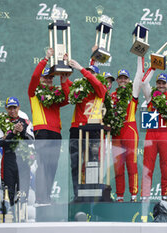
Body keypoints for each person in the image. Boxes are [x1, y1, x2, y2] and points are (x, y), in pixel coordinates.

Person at [28, 48, 71, 205]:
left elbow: (67, 98)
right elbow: (34, 76)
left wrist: (63, 80)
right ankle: (40, 198)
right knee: (43, 165)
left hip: (55, 133)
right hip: (42, 131)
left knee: (52, 166)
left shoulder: (55, 94)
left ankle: (46, 197)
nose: (47, 81)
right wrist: (46, 58)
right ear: (41, 80)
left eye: (50, 78)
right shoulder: (34, 92)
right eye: (45, 78)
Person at [140, 57, 167, 201]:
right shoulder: (150, 97)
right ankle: (145, 196)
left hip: (166, 136)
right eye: (159, 82)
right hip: (151, 135)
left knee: (166, 167)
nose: (161, 85)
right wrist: (153, 67)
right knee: (147, 167)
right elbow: (144, 82)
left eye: (164, 83)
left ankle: (164, 197)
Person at [68, 59, 107, 199]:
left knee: (93, 163)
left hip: (94, 130)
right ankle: (77, 194)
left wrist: (81, 69)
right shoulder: (80, 91)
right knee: (75, 164)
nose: (88, 75)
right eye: (87, 72)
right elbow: (68, 92)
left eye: (91, 73)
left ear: (97, 75)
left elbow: (95, 83)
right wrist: (64, 78)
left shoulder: (101, 89)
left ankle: (92, 194)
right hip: (77, 130)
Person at [110, 56, 144, 202]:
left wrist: (140, 56)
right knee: (118, 166)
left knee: (131, 163)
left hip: (130, 130)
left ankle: (134, 195)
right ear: (117, 80)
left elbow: (140, 75)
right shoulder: (112, 95)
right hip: (116, 132)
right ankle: (119, 196)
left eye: (125, 78)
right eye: (120, 78)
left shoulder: (133, 92)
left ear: (129, 80)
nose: (123, 80)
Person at [0, 97, 34, 206]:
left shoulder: (26, 122)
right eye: (9, 108)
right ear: (6, 109)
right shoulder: (1, 122)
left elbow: (31, 140)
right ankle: (10, 218)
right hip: (8, 160)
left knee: (22, 192)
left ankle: (23, 218)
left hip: (23, 159)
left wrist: (22, 131)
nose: (12, 110)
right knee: (9, 193)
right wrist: (13, 132)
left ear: (18, 107)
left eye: (14, 107)